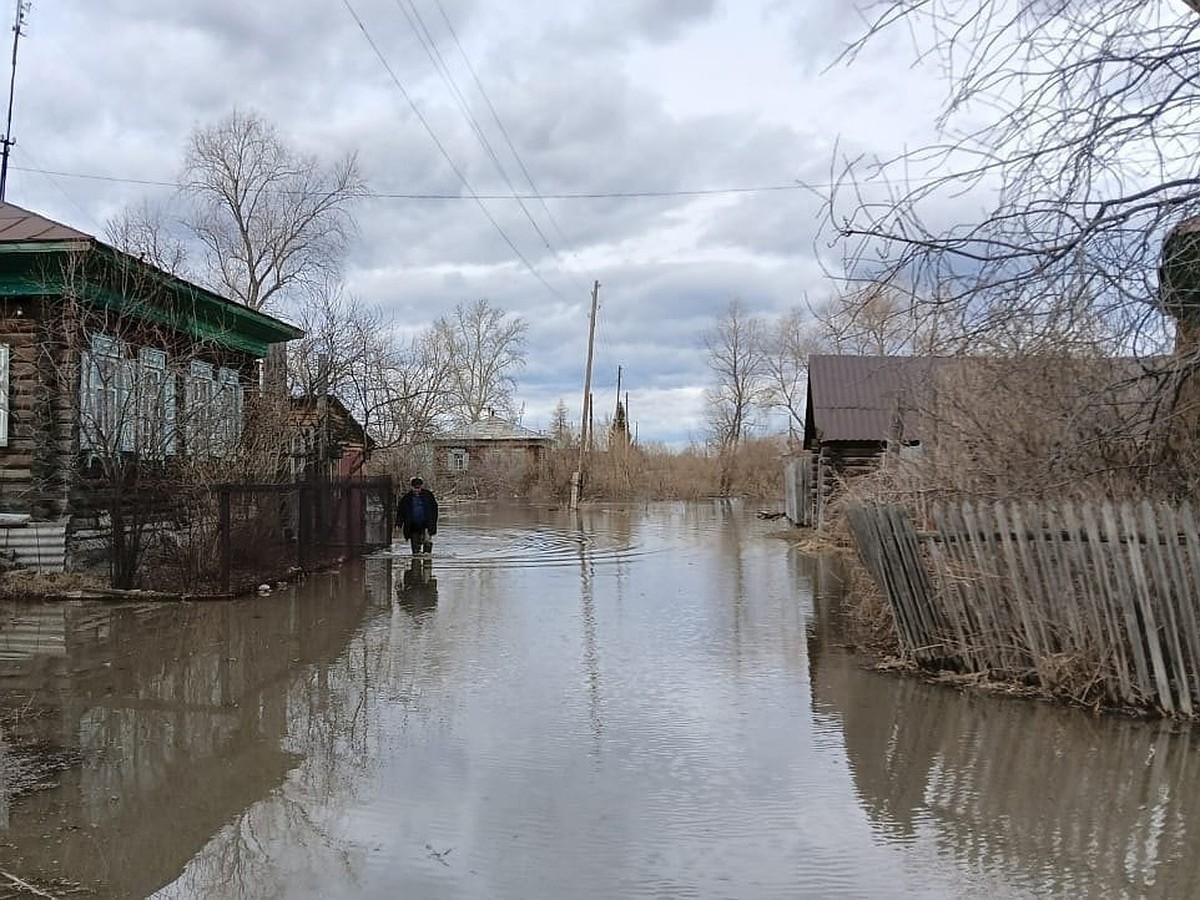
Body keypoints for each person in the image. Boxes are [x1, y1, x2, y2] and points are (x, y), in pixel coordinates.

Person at [396, 476, 438, 556]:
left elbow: (434, 509)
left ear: (421, 486)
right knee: (415, 550)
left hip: (427, 525)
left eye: (418, 487)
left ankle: (427, 564)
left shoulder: (428, 496)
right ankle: (416, 565)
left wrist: (433, 522)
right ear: (411, 487)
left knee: (427, 545)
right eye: (415, 488)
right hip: (412, 527)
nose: (417, 490)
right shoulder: (406, 498)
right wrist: (399, 523)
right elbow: (401, 511)